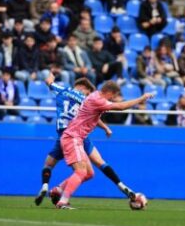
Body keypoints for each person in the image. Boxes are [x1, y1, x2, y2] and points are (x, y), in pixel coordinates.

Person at [35, 73, 140, 206]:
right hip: (77, 135)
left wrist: (51, 75)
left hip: (63, 134)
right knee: (94, 165)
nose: (89, 92)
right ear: (82, 87)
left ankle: (48, 187)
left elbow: (48, 81)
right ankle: (121, 186)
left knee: (50, 164)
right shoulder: (85, 98)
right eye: (88, 90)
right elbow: (92, 115)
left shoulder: (63, 90)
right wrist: (106, 128)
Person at [51, 81, 154, 209]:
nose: (112, 99)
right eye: (113, 96)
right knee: (81, 172)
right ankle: (63, 202)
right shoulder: (98, 99)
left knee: (89, 173)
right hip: (73, 137)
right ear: (109, 92)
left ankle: (58, 190)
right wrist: (142, 98)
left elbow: (94, 116)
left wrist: (105, 128)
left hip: (77, 138)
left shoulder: (95, 96)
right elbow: (121, 107)